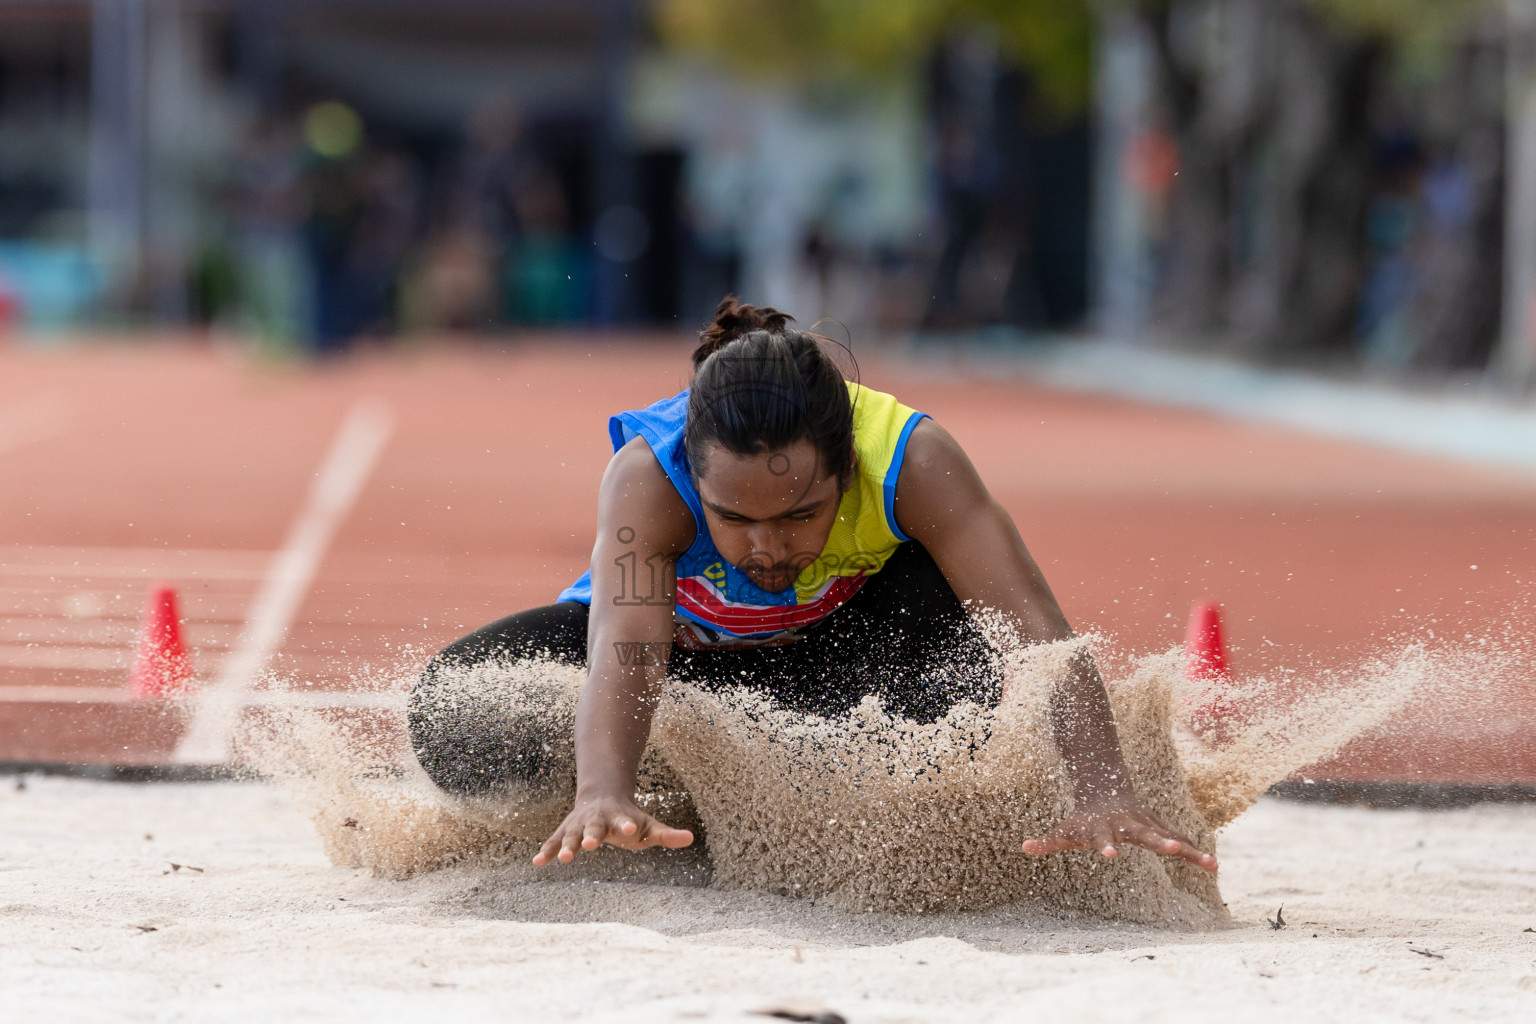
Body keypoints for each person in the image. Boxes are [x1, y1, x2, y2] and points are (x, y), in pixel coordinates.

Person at [408, 297, 1217, 874]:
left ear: (845, 468)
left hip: (834, 676)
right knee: (457, 713)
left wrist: (1105, 789)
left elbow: (1036, 629)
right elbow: (624, 649)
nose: (767, 548)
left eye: (799, 515)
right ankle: (654, 805)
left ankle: (800, 792)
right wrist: (601, 790)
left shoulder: (915, 460)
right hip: (683, 681)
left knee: (958, 623)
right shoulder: (645, 477)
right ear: (694, 474)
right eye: (733, 519)